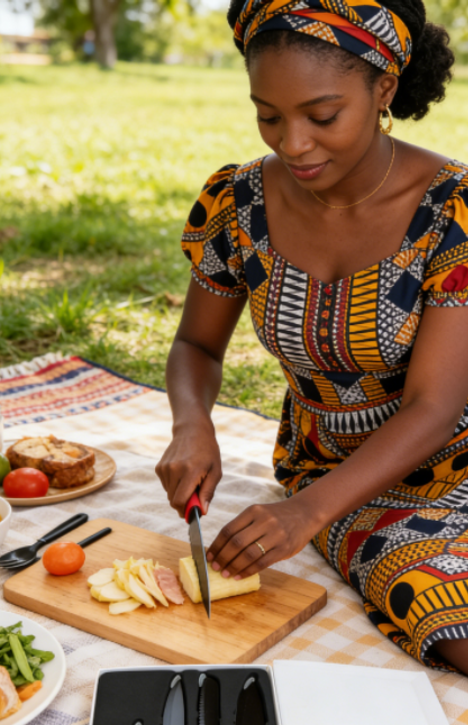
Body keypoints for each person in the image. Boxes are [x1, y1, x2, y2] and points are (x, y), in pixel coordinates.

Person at [155, 0, 468, 673]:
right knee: (454, 623)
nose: (291, 143)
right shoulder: (235, 205)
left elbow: (434, 407)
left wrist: (302, 515)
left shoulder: (451, 211)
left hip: (447, 458)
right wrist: (190, 422)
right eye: (268, 115)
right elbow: (197, 348)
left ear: (383, 88)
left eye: (322, 117)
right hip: (342, 483)